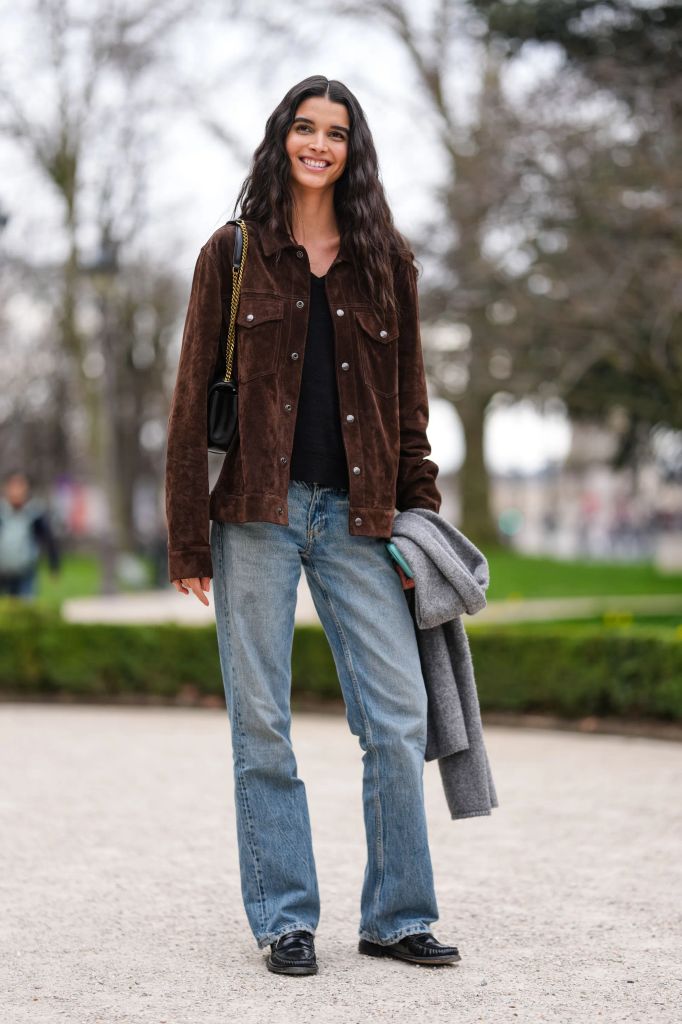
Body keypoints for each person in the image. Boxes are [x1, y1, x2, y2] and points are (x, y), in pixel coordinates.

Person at [164, 75, 461, 976]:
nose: (319, 144)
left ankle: (397, 917)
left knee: (399, 719)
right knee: (262, 724)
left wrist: (421, 527)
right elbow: (188, 405)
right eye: (305, 127)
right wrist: (186, 537)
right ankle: (285, 917)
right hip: (256, 513)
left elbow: (409, 407)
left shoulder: (387, 261)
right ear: (282, 138)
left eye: (336, 132)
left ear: (353, 150)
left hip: (363, 519)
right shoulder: (233, 253)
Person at [0, 469, 61, 599]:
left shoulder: (34, 513)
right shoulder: (2, 512)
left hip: (26, 572)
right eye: (13, 486)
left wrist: (54, 565)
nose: (16, 491)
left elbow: (49, 539)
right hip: (3, 572)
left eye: (20, 486)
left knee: (25, 604)